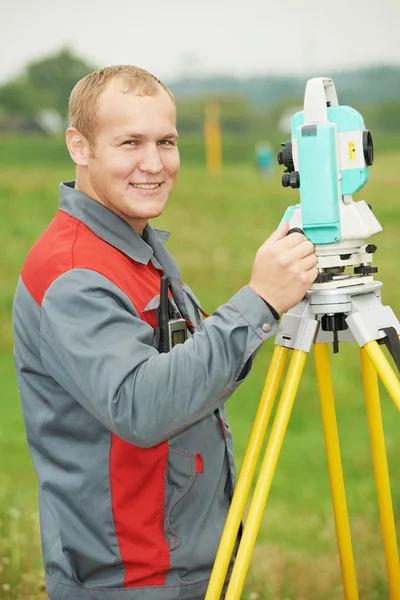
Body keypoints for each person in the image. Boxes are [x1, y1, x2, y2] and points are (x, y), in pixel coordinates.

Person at [12, 65, 318, 600]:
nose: (153, 164)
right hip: (130, 580)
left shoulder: (131, 246)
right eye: (130, 142)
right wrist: (261, 302)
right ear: (79, 146)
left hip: (178, 567)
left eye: (166, 141)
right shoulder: (74, 274)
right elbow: (142, 405)